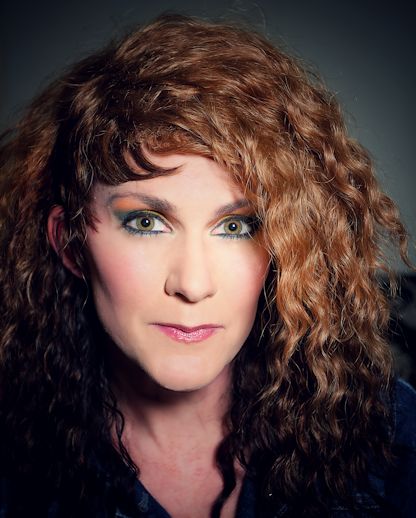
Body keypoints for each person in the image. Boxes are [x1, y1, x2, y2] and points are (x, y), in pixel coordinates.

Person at [0, 13, 415, 518]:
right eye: (146, 223)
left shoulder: (391, 437)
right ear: (69, 244)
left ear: (289, 246)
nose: (193, 285)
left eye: (236, 227)